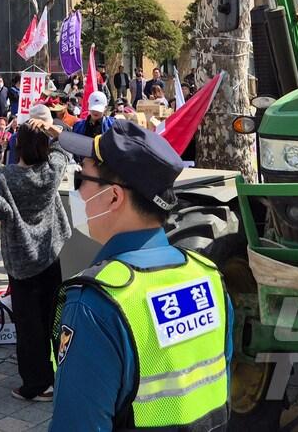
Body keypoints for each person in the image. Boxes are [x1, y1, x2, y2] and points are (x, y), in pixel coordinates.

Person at [50, 121, 228, 431]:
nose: (77, 191)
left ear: (114, 197)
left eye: (81, 179)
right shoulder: (208, 275)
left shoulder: (95, 303)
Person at [0, 108, 72, 401]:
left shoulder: (5, 176)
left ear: (18, 145)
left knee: (29, 325)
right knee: (54, 319)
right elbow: (64, 149)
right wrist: (51, 129)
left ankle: (37, 383)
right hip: (51, 254)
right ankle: (63, 373)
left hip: (21, 261)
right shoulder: (51, 171)